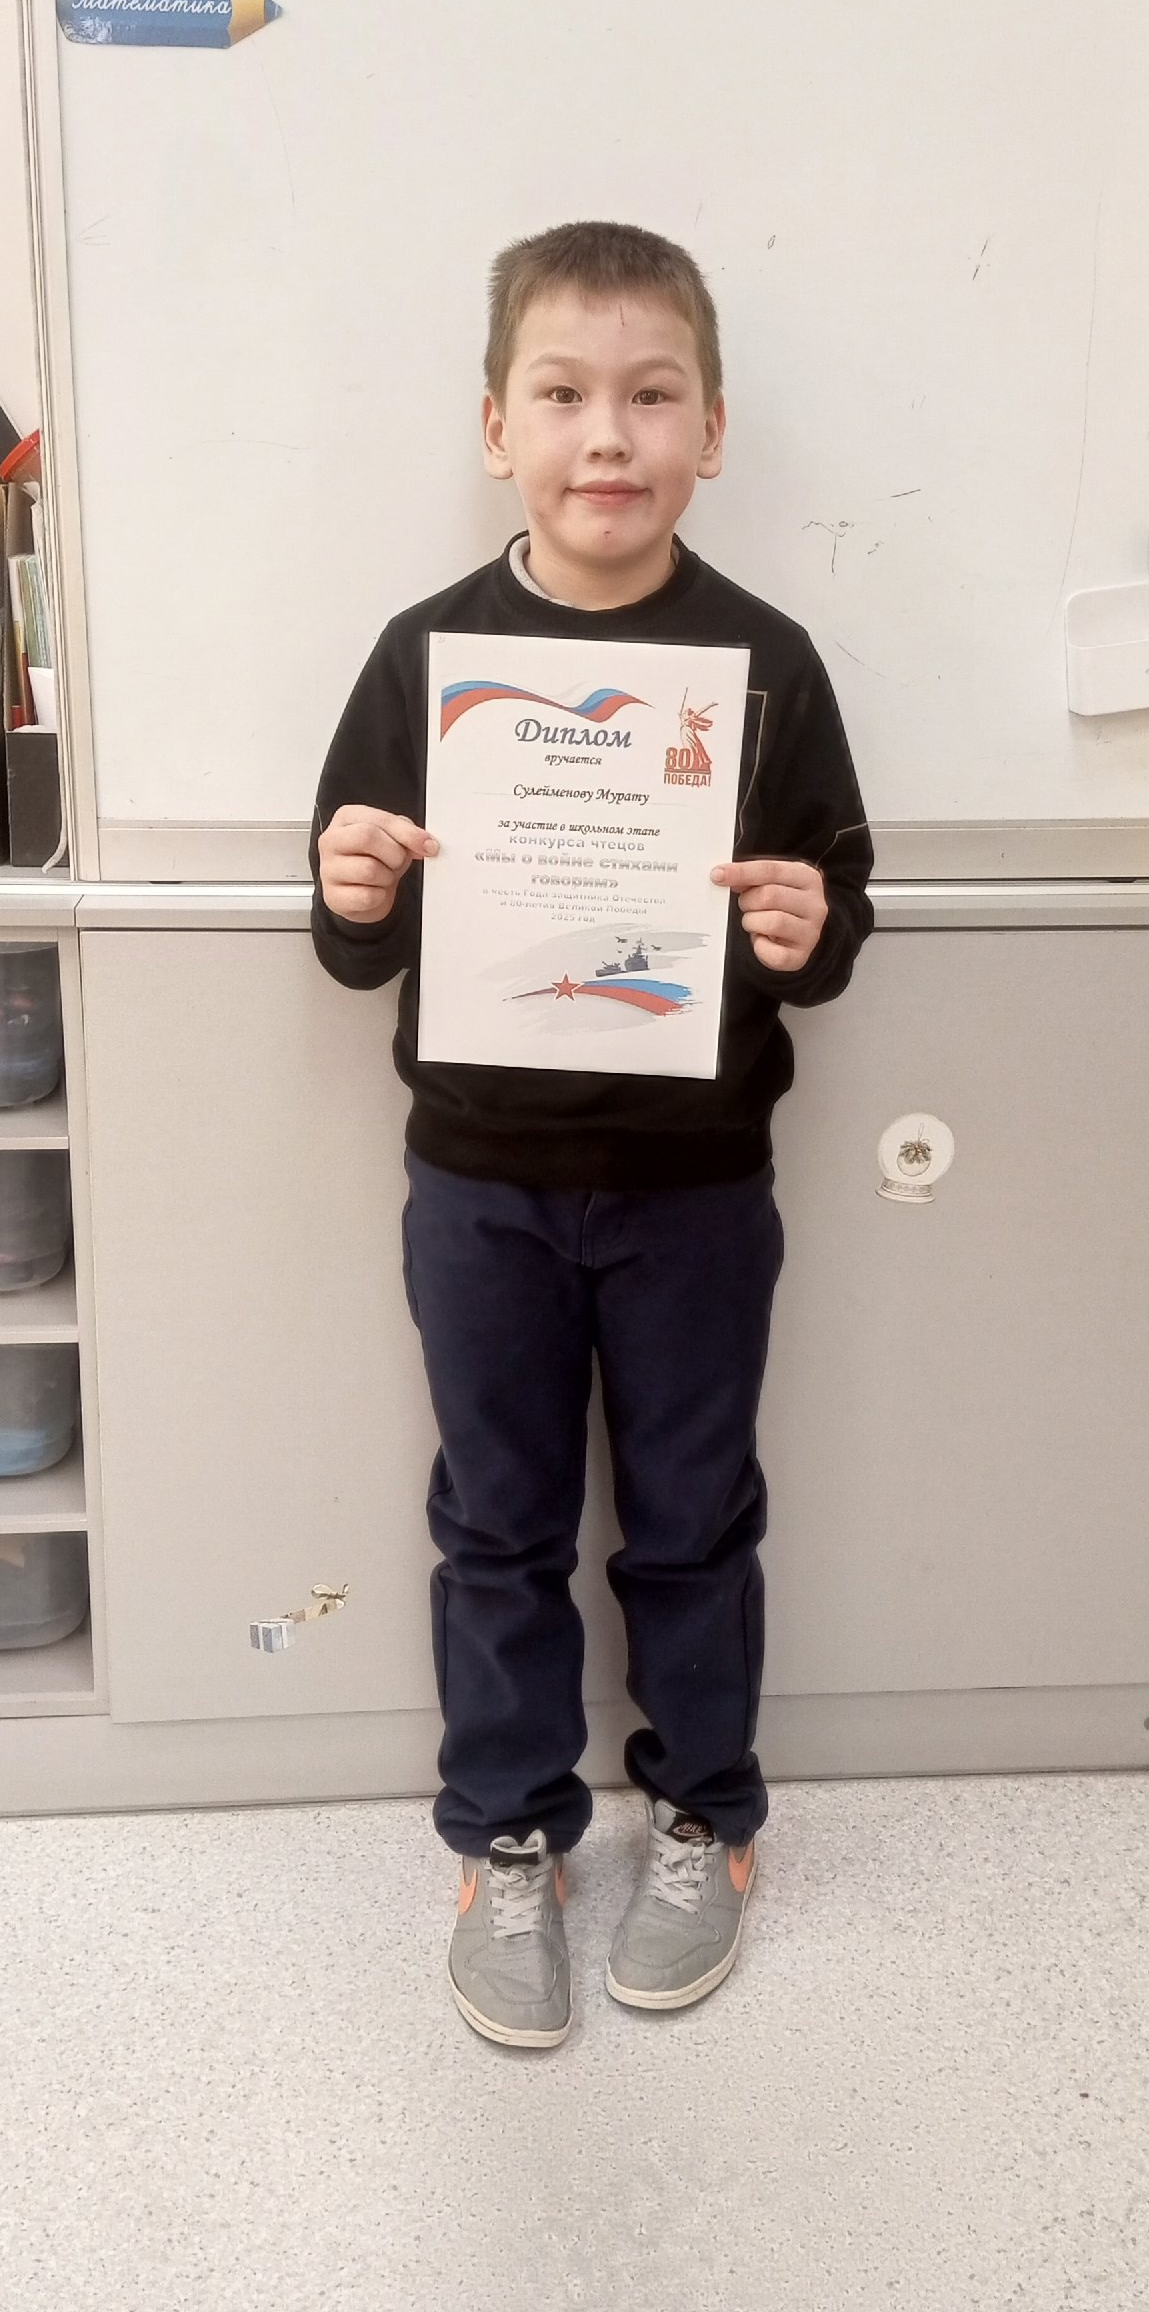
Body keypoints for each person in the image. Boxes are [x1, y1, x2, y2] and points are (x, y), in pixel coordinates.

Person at [309, 219, 874, 2053]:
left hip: (696, 1194)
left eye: (651, 395)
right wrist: (352, 890)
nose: (606, 435)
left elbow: (833, 920)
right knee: (497, 1523)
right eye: (561, 394)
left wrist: (806, 928)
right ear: (498, 427)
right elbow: (353, 935)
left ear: (713, 429)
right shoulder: (424, 656)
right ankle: (508, 1838)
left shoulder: (767, 663)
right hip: (478, 1187)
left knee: (694, 1521)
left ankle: (708, 1817)